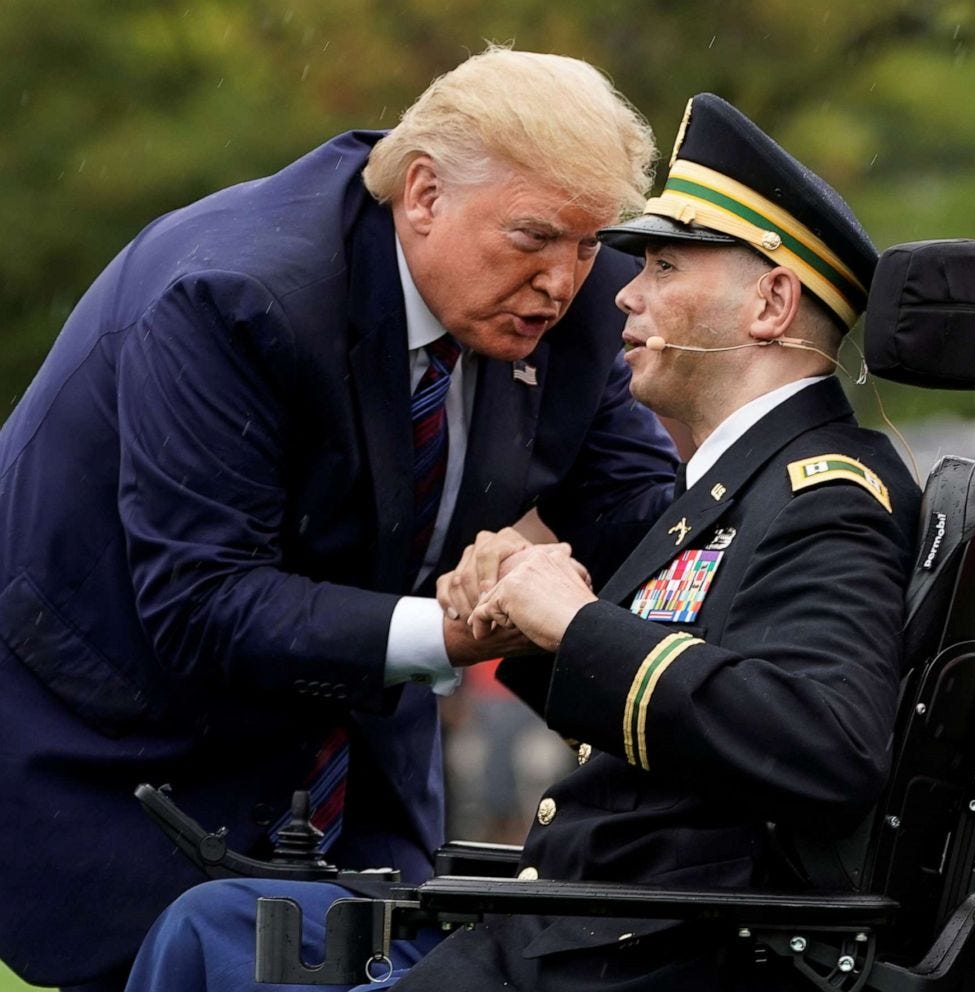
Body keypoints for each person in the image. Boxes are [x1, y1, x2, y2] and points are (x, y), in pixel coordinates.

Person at [0, 47, 679, 992]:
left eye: (589, 244)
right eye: (535, 238)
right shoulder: (235, 294)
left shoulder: (579, 307)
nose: (564, 283)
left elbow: (642, 526)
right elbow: (204, 600)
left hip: (353, 757)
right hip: (124, 742)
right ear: (425, 194)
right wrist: (450, 628)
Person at [386, 92, 923, 990]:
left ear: (771, 303)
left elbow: (823, 744)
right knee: (216, 924)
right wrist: (514, 611)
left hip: (637, 963)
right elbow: (679, 718)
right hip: (591, 940)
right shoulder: (739, 482)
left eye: (667, 265)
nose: (625, 293)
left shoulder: (824, 494)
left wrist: (576, 621)